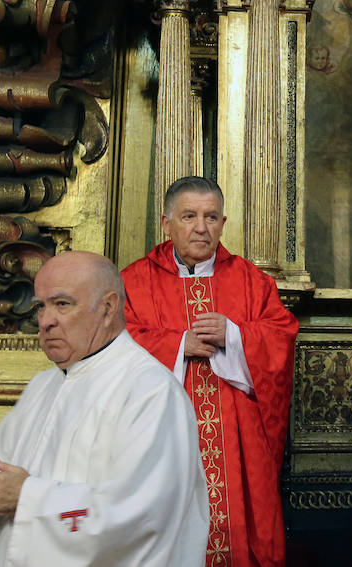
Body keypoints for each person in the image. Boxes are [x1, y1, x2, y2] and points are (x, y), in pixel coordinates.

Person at [0, 251, 209, 567]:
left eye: (62, 304)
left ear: (108, 307)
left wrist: (27, 497)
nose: (45, 321)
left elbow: (141, 513)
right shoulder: (43, 387)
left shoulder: (150, 392)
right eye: (40, 306)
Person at [121, 176, 298, 567]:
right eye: (189, 216)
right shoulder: (133, 281)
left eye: (211, 217)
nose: (201, 227)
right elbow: (115, 343)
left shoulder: (252, 281)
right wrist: (177, 346)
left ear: (223, 222)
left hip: (237, 436)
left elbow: (280, 336)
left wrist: (235, 336)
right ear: (166, 222)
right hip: (163, 433)